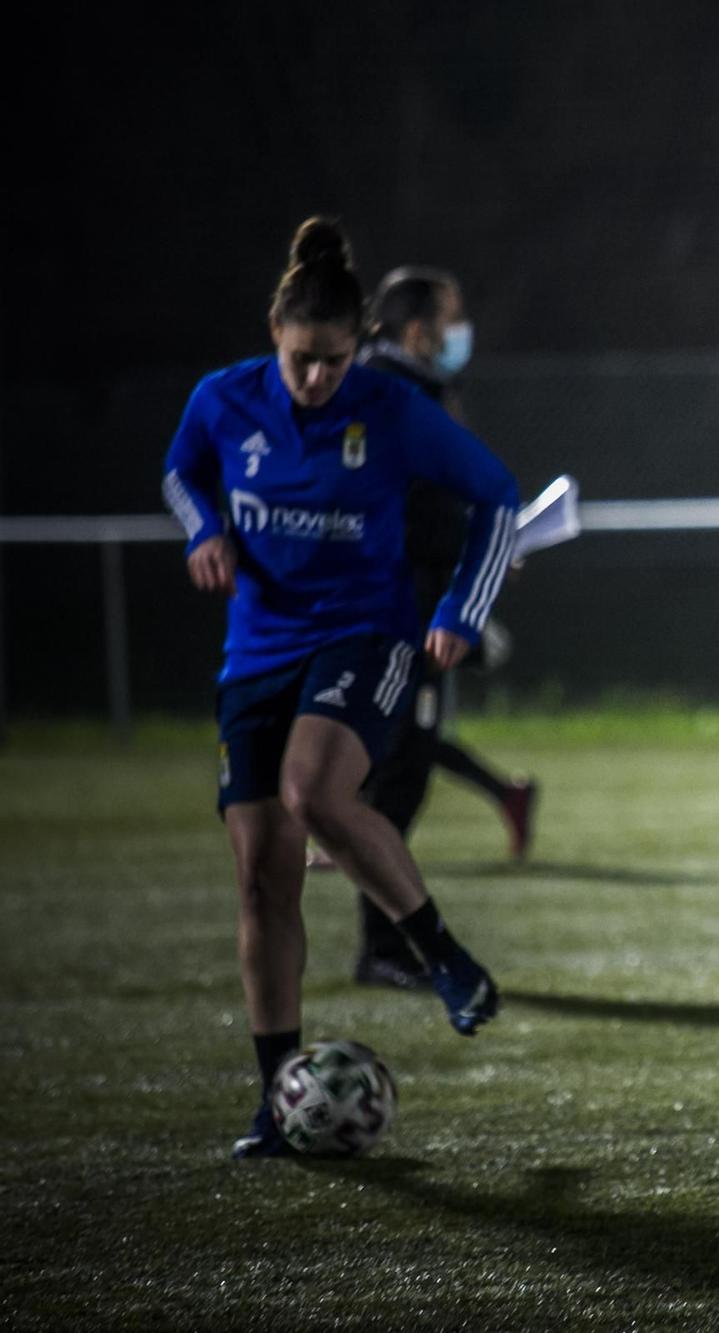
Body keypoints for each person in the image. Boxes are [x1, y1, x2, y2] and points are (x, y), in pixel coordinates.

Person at [161, 218, 517, 1157]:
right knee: (261, 878)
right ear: (275, 336)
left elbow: (499, 496)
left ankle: (440, 953)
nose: (315, 379)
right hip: (256, 653)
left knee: (313, 790)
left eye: (331, 362)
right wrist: (203, 528)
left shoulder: (390, 410)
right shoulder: (223, 400)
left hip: (368, 635)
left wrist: (461, 614)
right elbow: (182, 470)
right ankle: (273, 1103)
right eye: (300, 360)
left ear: (357, 348)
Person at [343, 266, 539, 989]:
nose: (461, 332)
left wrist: (479, 547)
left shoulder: (388, 388)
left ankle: (387, 944)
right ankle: (384, 947)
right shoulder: (397, 393)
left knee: (399, 773)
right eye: (451, 317)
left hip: (403, 604)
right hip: (401, 611)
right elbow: (417, 507)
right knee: (394, 780)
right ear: (419, 328)